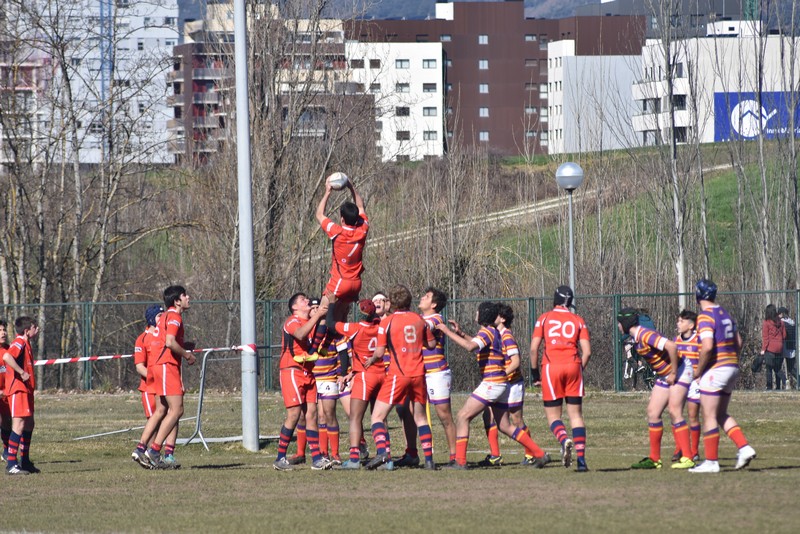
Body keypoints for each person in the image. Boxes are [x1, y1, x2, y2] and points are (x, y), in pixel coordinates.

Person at [438, 301, 549, 470]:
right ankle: (540, 454)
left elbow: (470, 347)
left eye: (478, 311)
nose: (476, 313)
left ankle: (459, 461)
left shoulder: (487, 331)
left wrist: (446, 331)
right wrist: (460, 333)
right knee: (505, 426)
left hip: (492, 382)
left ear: (483, 314)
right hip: (501, 384)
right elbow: (477, 344)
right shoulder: (493, 332)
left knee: (462, 416)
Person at [364, 285, 437, 470]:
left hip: (399, 374)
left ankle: (382, 452)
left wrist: (371, 360)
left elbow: (379, 352)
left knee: (377, 416)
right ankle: (429, 460)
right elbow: (431, 344)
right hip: (419, 374)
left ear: (391, 302)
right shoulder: (419, 319)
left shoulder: (387, 322)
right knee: (421, 418)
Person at [689, 279, 756, 473]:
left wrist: (699, 371)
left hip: (716, 370)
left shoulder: (705, 316)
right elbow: (739, 342)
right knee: (720, 414)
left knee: (709, 415)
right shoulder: (725, 314)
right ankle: (744, 447)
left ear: (698, 295)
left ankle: (711, 462)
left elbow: (707, 346)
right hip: (731, 367)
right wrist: (731, 361)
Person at [617, 307, 696, 470]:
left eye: (619, 322)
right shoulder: (636, 338)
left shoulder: (645, 335)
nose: (618, 326)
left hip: (681, 370)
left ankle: (688, 457)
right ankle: (654, 459)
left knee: (674, 411)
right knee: (653, 412)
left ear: (625, 323)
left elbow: (672, 347)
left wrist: (673, 372)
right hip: (664, 374)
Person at [530, 286, 591, 472]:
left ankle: (564, 440)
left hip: (552, 367)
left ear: (554, 299)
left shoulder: (544, 318)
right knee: (576, 416)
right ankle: (581, 461)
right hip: (574, 365)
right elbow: (587, 352)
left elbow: (533, 349)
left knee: (553, 416)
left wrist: (535, 374)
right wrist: (578, 369)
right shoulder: (578, 320)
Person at [273, 292, 332, 471]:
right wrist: (317, 315)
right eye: (302, 300)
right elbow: (300, 334)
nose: (306, 300)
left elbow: (321, 333)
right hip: (291, 370)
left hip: (308, 372)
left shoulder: (311, 322)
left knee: (312, 414)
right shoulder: (292, 321)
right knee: (294, 414)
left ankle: (317, 459)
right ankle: (280, 458)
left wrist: (326, 306)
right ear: (294, 307)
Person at [142, 285, 197, 469]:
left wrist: (184, 345)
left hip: (161, 365)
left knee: (164, 410)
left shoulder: (166, 316)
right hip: (166, 366)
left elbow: (165, 341)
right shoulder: (174, 316)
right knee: (176, 410)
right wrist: (187, 355)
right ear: (177, 301)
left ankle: (145, 449)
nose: (188, 297)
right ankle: (154, 450)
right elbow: (169, 342)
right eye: (184, 295)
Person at [326, 297, 382, 469]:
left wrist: (331, 303)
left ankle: (354, 458)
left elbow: (330, 323)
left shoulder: (355, 328)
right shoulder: (381, 327)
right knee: (379, 417)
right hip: (382, 375)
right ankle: (384, 456)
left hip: (364, 376)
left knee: (355, 418)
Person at [495, 303, 542, 466]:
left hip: (513, 384)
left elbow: (515, 362)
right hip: (503, 384)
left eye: (496, 314)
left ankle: (531, 454)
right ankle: (495, 455)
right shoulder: (496, 335)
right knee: (491, 416)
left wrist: (500, 375)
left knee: (517, 421)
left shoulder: (507, 336)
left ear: (502, 319)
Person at [316, 176, 368, 322]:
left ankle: (319, 338)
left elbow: (319, 214)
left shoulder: (337, 232)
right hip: (356, 283)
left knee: (321, 314)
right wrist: (351, 187)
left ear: (342, 219)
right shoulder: (363, 230)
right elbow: (361, 207)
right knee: (341, 318)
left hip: (340, 281)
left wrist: (327, 192)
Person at [418, 287, 457, 466]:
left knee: (444, 416)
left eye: (426, 297)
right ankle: (416, 454)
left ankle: (455, 456)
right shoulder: (419, 319)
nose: (422, 298)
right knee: (415, 414)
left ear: (433, 304)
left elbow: (424, 327)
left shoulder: (436, 319)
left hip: (437, 372)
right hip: (420, 372)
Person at [2, 316, 40, 475]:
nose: (37, 329)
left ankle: (25, 461)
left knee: (29, 423)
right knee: (18, 425)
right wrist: (21, 372)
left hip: (26, 390)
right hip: (18, 389)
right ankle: (11, 463)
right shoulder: (19, 342)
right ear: (26, 330)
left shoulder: (26, 343)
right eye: (34, 327)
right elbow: (7, 357)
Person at [130, 304, 164, 468]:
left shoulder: (163, 336)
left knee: (165, 420)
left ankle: (158, 454)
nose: (162, 319)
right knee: (153, 421)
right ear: (151, 319)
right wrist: (154, 376)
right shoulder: (142, 339)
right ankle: (148, 453)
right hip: (148, 388)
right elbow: (139, 366)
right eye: (159, 316)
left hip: (162, 386)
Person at [671, 310, 702, 463]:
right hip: (680, 381)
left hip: (694, 382)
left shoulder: (698, 340)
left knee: (692, 416)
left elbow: (706, 358)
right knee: (675, 413)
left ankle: (694, 451)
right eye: (678, 321)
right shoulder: (675, 341)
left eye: (681, 321)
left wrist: (700, 374)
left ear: (690, 325)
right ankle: (680, 448)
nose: (678, 324)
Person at [762, 304, 786, 390]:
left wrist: (763, 349)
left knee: (769, 368)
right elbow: (784, 336)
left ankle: (769, 387)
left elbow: (765, 338)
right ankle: (781, 383)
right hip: (780, 348)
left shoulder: (766, 323)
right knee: (777, 368)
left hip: (770, 348)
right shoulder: (781, 322)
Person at [778, 307, 797, 389]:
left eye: (779, 313)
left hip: (783, 348)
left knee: (777, 367)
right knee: (791, 369)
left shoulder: (781, 323)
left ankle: (779, 385)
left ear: (782, 314)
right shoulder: (792, 322)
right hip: (792, 348)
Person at [0, 319, 11, 461]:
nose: (3, 333)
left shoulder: (9, 350)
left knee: (7, 422)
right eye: (0, 330)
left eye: (4, 330)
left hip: (6, 393)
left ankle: (7, 450)